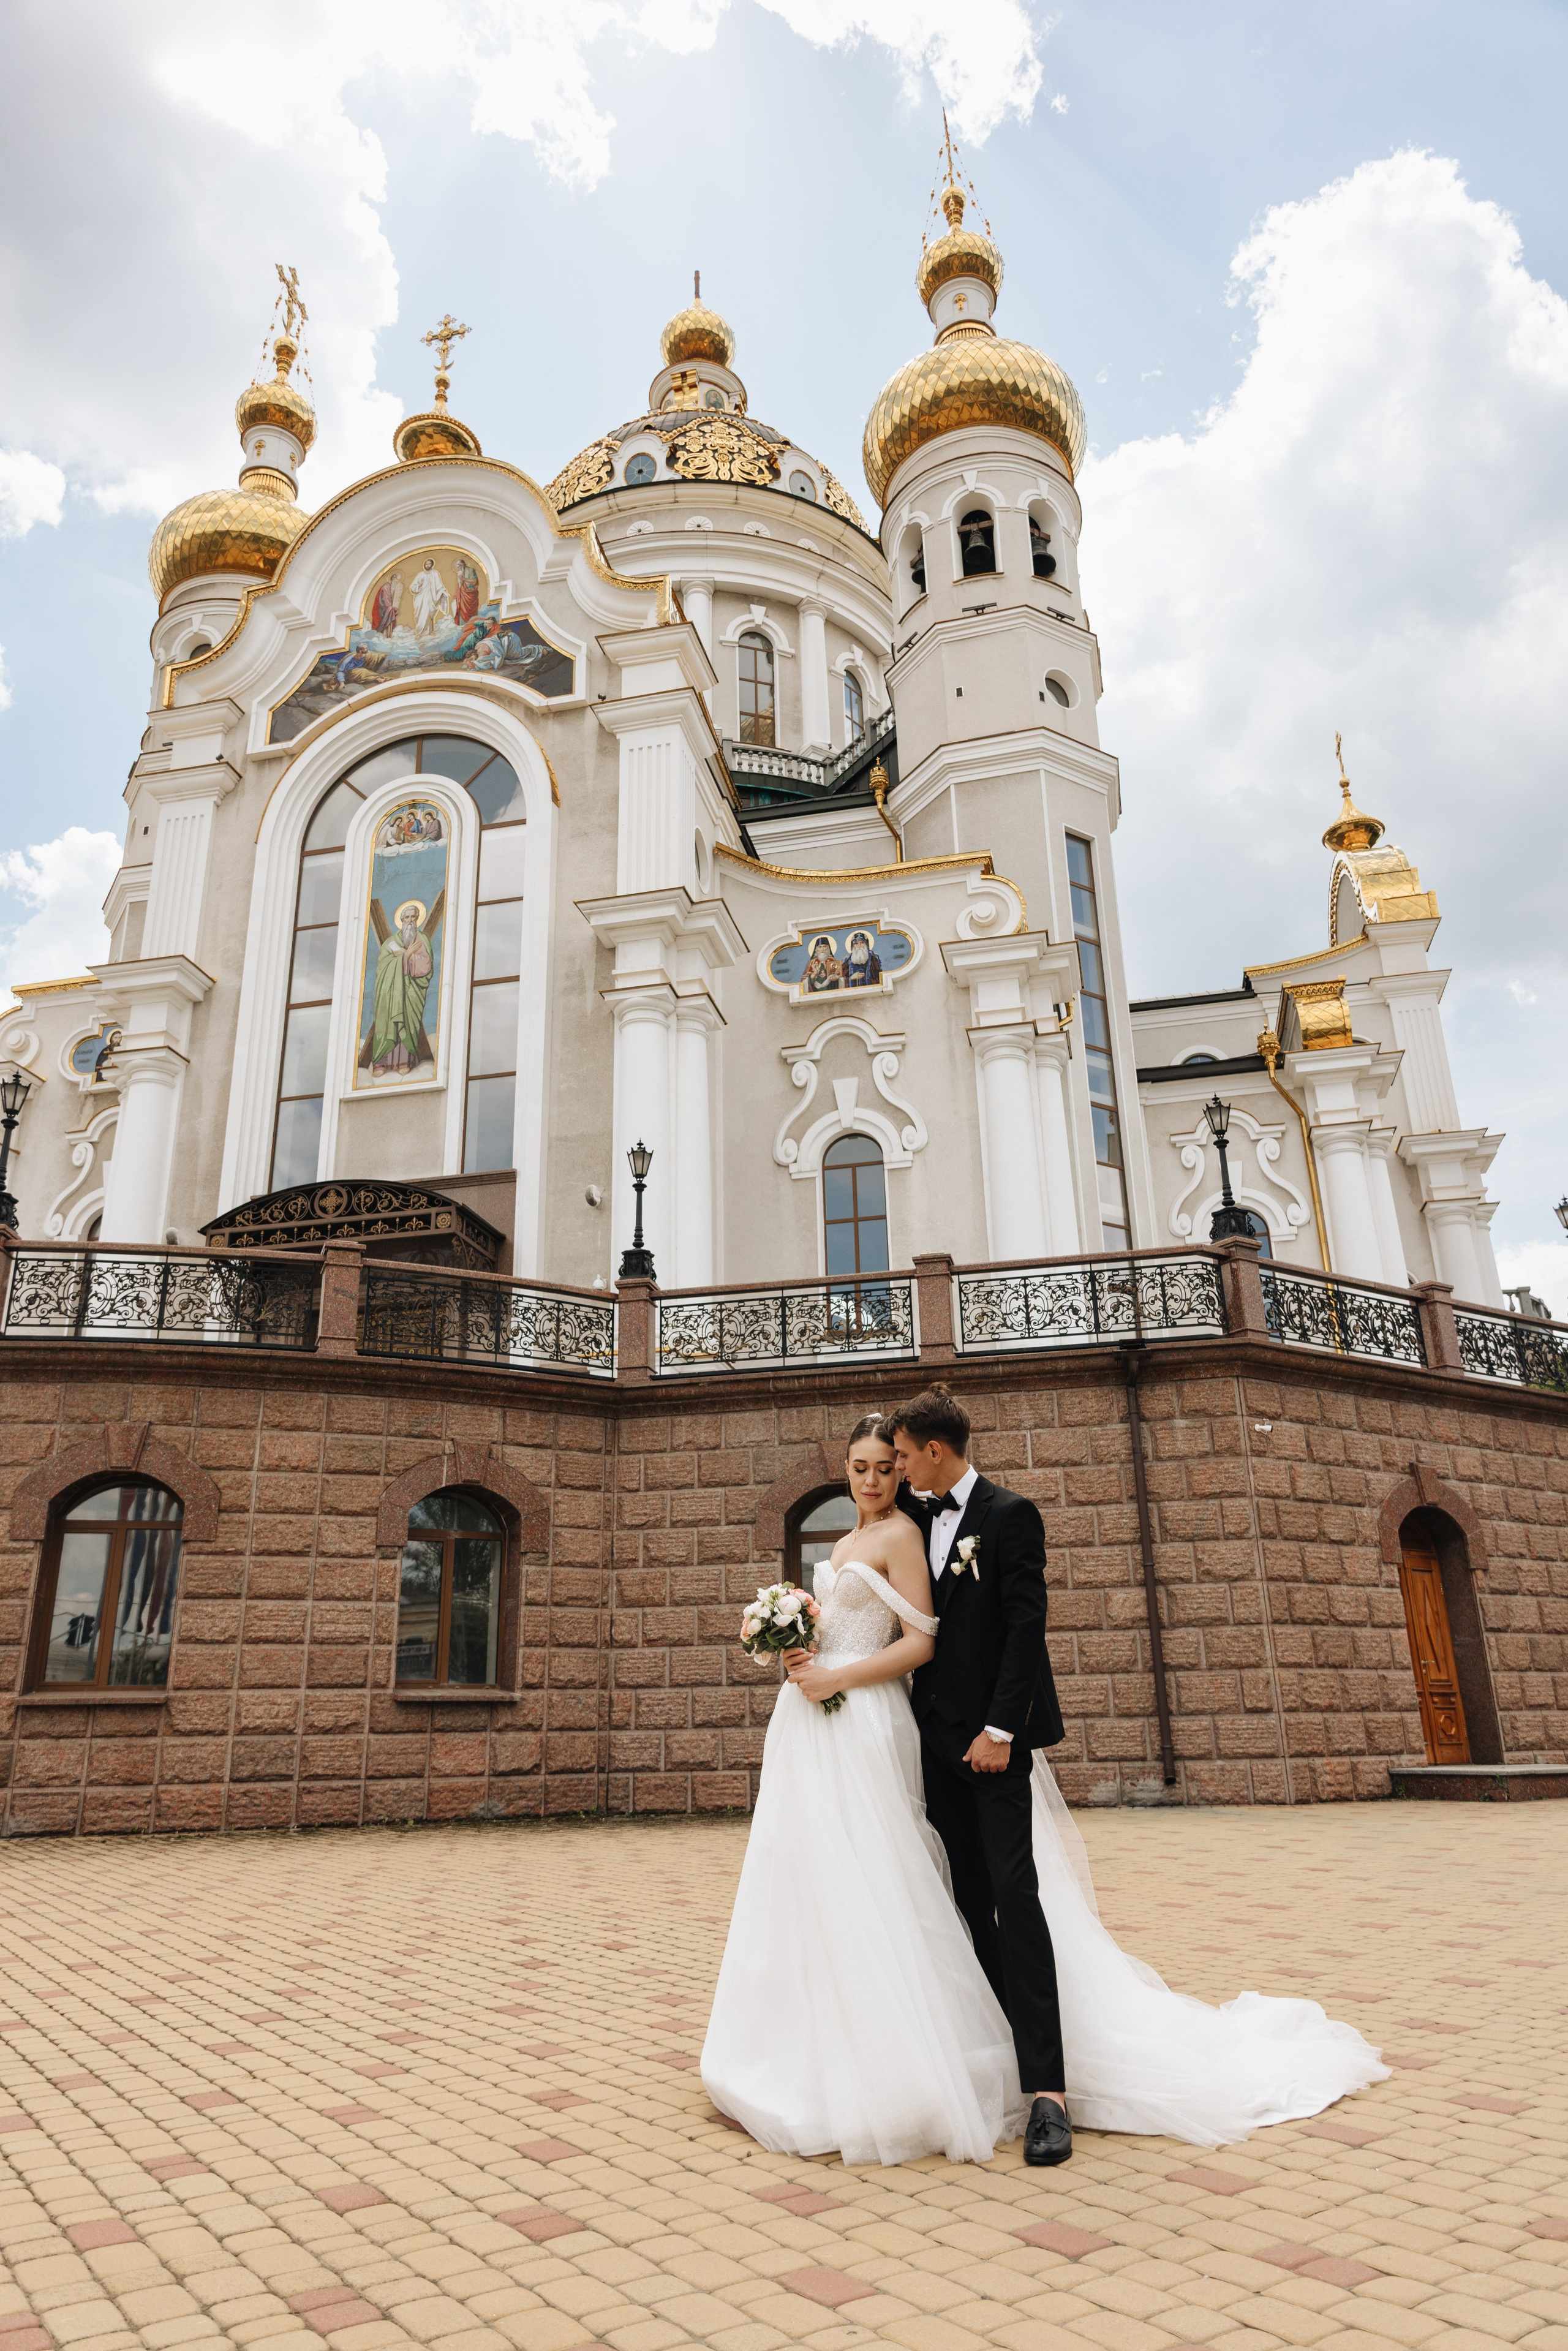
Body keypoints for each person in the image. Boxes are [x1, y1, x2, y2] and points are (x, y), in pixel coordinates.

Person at [701, 1397, 1389, 2170]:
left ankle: (1049, 2092)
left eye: (895, 1461)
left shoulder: (1007, 1516)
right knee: (955, 1903)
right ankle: (988, 2051)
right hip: (921, 1743)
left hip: (991, 1745)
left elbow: (1024, 1629)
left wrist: (1000, 1730)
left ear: (928, 1452)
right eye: (868, 1466)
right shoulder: (912, 1516)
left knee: (1016, 1899)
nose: (882, 1475)